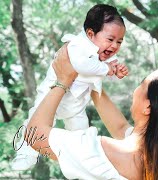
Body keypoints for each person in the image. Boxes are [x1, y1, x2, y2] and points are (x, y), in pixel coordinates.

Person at [24, 44, 158, 179]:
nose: (135, 90)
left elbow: (35, 134)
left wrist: (63, 81)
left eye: (142, 84)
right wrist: (92, 78)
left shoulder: (99, 153)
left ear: (148, 107)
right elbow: (121, 128)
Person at [11, 4, 128, 171]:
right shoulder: (76, 45)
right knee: (34, 122)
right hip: (51, 97)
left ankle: (82, 162)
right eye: (110, 39)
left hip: (76, 105)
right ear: (90, 34)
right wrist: (107, 69)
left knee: (81, 134)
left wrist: (115, 69)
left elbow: (100, 67)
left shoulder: (101, 57)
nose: (115, 45)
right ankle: (26, 153)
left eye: (119, 41)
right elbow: (82, 65)